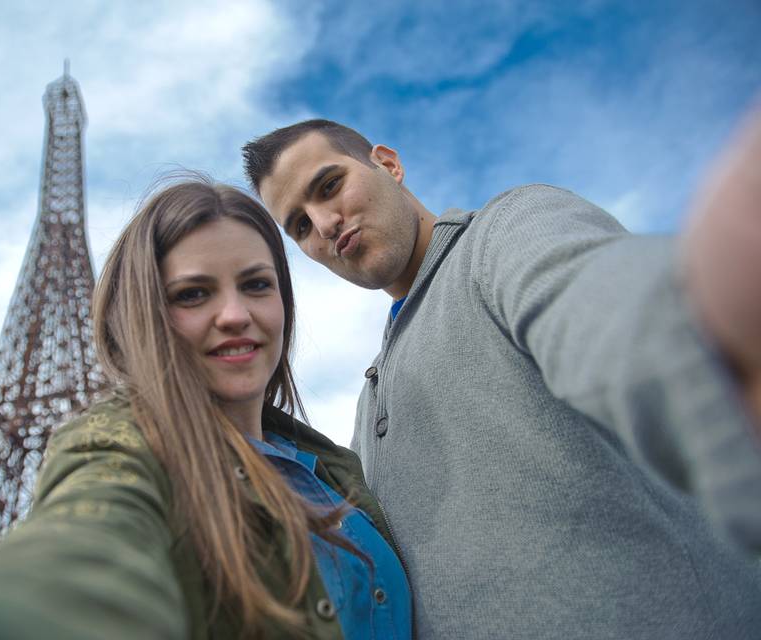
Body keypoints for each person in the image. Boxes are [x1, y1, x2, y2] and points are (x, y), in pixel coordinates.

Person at [0, 179, 412, 640]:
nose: (234, 314)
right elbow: (88, 559)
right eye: (192, 293)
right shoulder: (123, 445)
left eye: (256, 284)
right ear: (143, 316)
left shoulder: (334, 468)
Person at [242, 116, 761, 639]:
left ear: (388, 165)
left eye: (329, 186)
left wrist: (721, 352)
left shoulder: (504, 235)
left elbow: (605, 311)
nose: (324, 224)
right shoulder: (367, 401)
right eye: (301, 226)